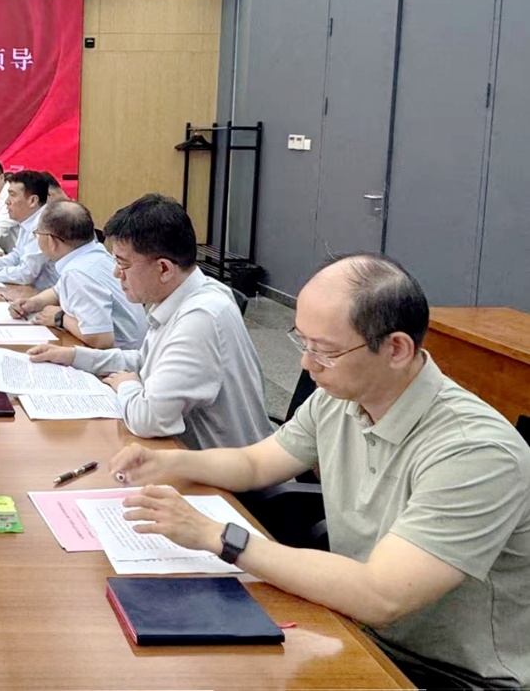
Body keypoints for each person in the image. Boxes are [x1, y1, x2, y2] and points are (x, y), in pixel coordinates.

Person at [108, 254, 530, 689]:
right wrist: (172, 461)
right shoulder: (341, 398)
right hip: (355, 627)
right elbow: (257, 462)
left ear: (396, 349)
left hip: (447, 674)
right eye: (303, 343)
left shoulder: (475, 452)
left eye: (325, 351)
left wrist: (217, 536)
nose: (307, 365)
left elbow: (382, 595)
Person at [29, 193, 271, 450]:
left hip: (217, 468)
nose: (116, 273)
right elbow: (145, 361)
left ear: (164, 268)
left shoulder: (199, 320)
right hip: (189, 453)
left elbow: (148, 420)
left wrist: (127, 385)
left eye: (123, 264)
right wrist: (74, 356)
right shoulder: (188, 292)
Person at [8, 200, 146, 350]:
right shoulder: (93, 254)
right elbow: (58, 291)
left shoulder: (78, 272)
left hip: (119, 359)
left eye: (37, 234)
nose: (37, 238)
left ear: (52, 241)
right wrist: (33, 303)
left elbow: (101, 339)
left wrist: (60, 318)